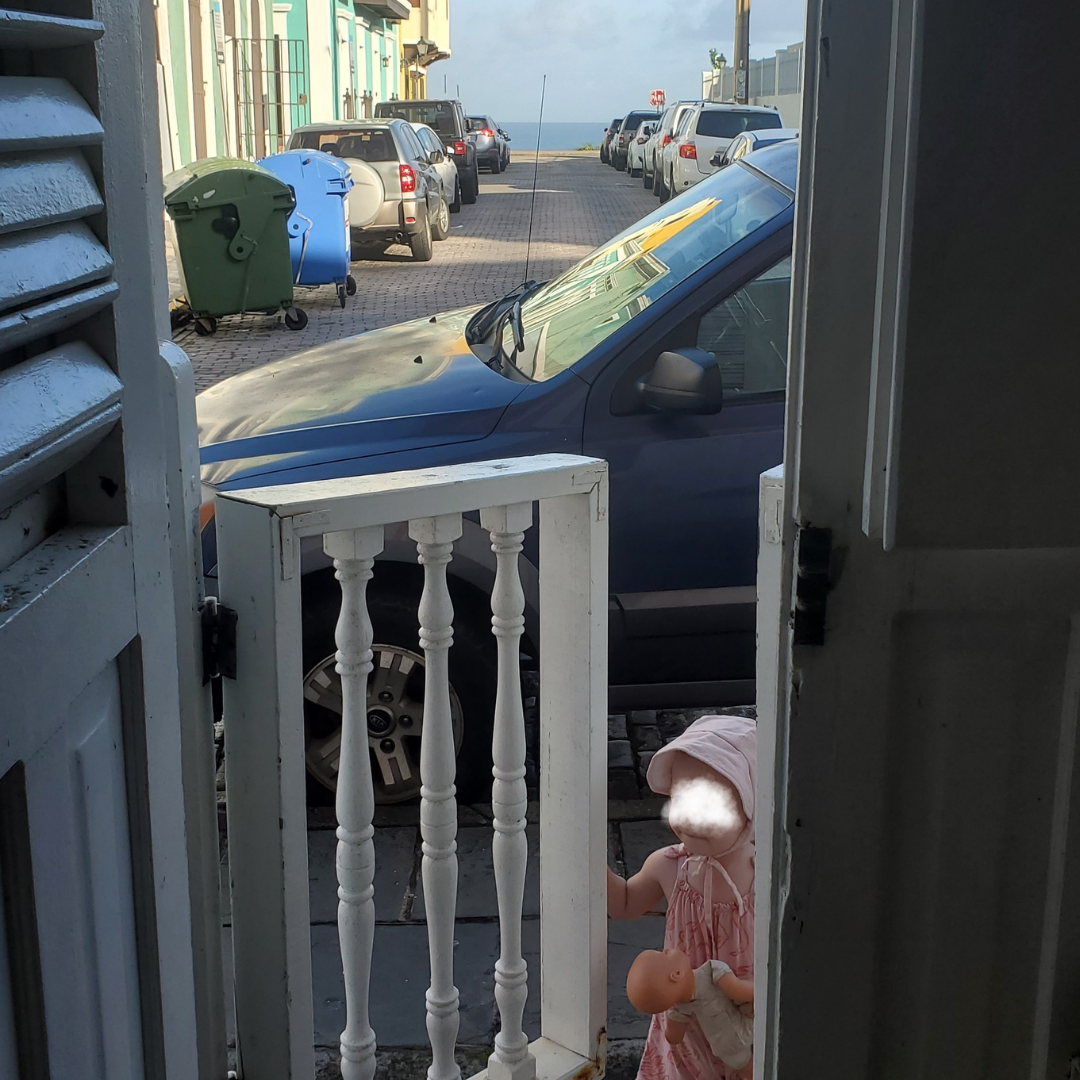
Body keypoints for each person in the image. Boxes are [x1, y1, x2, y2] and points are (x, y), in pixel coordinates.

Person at [608, 713, 756, 1080]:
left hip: (751, 1024)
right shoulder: (670, 866)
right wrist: (590, 864)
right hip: (685, 1029)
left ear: (754, 803)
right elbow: (625, 904)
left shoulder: (767, 875)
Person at [626, 949, 753, 1073]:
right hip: (746, 1024)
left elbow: (673, 1037)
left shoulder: (681, 1008)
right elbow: (738, 991)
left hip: (727, 1047)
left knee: (751, 1070)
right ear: (676, 974)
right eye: (665, 953)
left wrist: (670, 1010)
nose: (668, 948)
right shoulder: (711, 970)